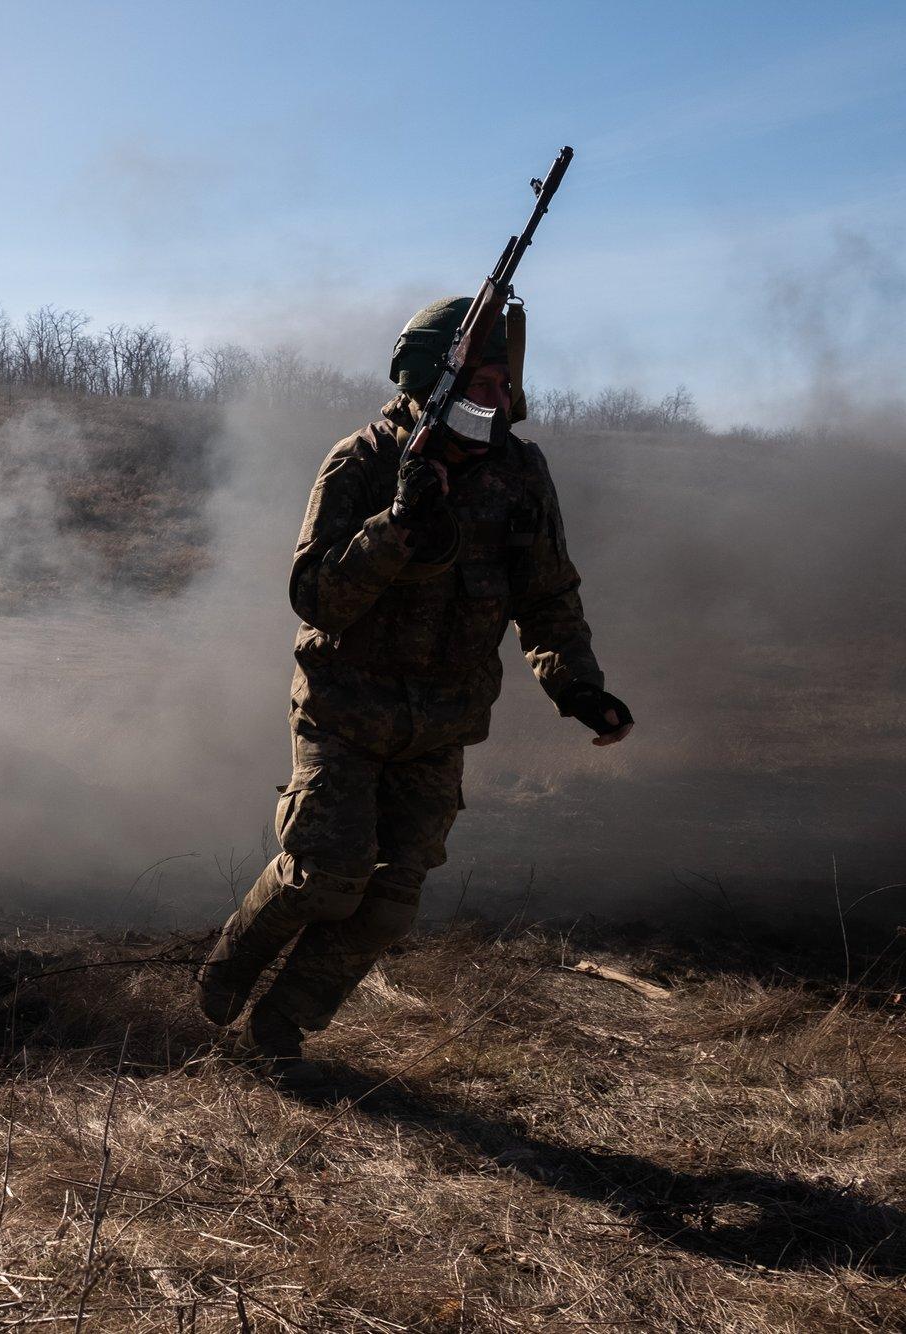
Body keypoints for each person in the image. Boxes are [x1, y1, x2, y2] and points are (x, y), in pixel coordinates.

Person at [196, 296, 632, 1076]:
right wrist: (396, 524)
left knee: (389, 904)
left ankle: (281, 1031)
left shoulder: (520, 474)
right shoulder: (363, 462)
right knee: (325, 879)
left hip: (441, 726)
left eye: (506, 381)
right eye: (487, 379)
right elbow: (317, 598)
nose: (503, 396)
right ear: (438, 379)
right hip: (345, 713)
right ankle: (225, 974)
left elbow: (548, 600)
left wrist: (580, 690)